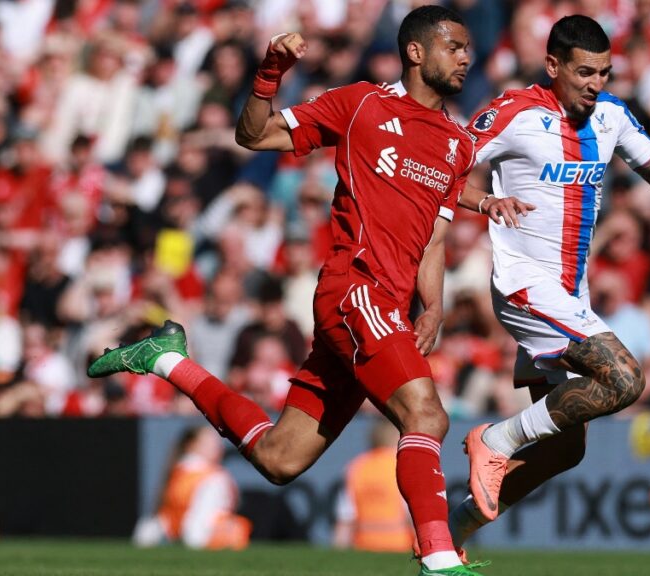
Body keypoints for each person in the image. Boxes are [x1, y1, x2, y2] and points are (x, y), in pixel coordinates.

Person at [88, 7, 486, 575]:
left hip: (388, 310)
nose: (466, 57)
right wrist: (269, 73)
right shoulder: (362, 104)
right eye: (454, 46)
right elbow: (253, 133)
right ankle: (440, 557)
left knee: (280, 458)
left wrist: (436, 306)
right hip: (354, 289)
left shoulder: (456, 143)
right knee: (426, 415)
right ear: (417, 52)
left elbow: (434, 239)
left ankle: (169, 361)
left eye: (469, 47)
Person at [450, 15, 650, 539]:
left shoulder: (611, 115)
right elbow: (437, 170)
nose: (596, 84)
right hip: (524, 283)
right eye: (585, 72)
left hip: (570, 292)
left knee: (567, 449)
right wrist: (487, 200)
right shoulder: (513, 112)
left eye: (605, 73)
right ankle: (493, 441)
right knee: (626, 379)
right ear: (553, 65)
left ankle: (453, 531)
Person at [133, 426, 251, 550]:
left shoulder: (177, 472)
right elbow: (196, 527)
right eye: (210, 442)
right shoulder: (214, 477)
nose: (218, 447)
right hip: (197, 538)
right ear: (192, 445)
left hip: (174, 537)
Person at [334, 419, 414, 552]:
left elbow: (345, 519)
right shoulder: (403, 465)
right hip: (400, 546)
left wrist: (336, 555)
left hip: (363, 546)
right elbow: (413, 516)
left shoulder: (356, 466)